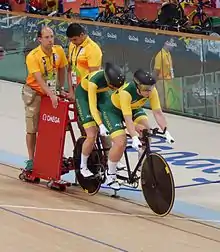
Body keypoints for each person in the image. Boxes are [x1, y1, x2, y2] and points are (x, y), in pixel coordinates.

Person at [96, 69, 175, 190]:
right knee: (121, 142)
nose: (149, 92)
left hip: (134, 108)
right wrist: (133, 137)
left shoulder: (151, 91)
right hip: (113, 111)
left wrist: (166, 131)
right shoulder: (126, 93)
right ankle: (110, 175)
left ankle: (141, 165)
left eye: (151, 88)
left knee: (146, 132)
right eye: (146, 89)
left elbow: (158, 113)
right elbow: (127, 120)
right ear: (138, 87)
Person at [22, 26, 68, 171]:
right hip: (35, 92)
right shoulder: (33, 56)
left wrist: (60, 88)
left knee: (56, 126)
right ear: (39, 39)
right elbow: (39, 79)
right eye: (47, 37)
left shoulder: (59, 50)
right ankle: (31, 159)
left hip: (52, 92)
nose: (50, 40)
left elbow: (62, 68)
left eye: (52, 36)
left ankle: (53, 156)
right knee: (32, 128)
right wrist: (51, 94)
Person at [75, 62, 125, 178]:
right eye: (112, 87)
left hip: (101, 93)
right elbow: (92, 107)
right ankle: (83, 166)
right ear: (107, 80)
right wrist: (100, 124)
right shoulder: (94, 80)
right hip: (84, 95)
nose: (114, 89)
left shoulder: (117, 81)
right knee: (92, 134)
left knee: (112, 125)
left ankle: (111, 158)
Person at [65, 22, 102, 100]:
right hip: (75, 89)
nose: (73, 42)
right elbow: (69, 69)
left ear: (82, 35)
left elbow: (93, 77)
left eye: (75, 39)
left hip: (87, 92)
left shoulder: (93, 48)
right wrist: (71, 91)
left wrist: (83, 94)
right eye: (71, 40)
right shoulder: (72, 45)